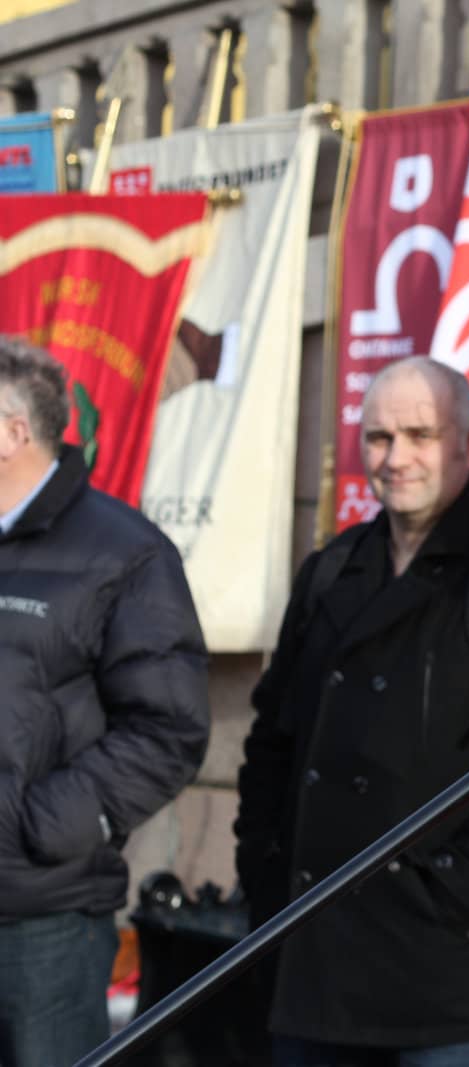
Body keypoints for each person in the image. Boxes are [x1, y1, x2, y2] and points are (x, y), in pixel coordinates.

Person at [235, 357, 469, 1067]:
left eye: (419, 434)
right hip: (314, 968)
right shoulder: (331, 568)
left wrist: (449, 887)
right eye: (378, 438)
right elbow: (271, 743)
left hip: (448, 981)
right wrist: (263, 869)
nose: (396, 457)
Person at [0, 336, 210, 1066]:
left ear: (12, 431)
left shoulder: (124, 552)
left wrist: (45, 824)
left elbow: (169, 730)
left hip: (43, 917)